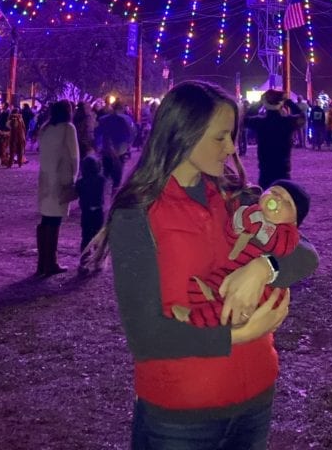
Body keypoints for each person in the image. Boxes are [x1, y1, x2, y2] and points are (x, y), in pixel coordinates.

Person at [107, 80, 318, 449]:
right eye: (221, 137)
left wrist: (262, 268)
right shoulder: (137, 214)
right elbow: (145, 337)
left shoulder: (236, 197)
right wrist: (240, 335)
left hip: (254, 401)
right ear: (184, 133)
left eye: (232, 135)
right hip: (181, 417)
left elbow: (304, 255)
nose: (232, 147)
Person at [173, 180, 311, 327]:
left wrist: (263, 226)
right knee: (209, 282)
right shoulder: (250, 211)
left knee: (234, 306)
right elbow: (231, 237)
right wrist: (239, 225)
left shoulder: (288, 233)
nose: (277, 200)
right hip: (234, 271)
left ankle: (196, 319)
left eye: (287, 203)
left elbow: (283, 248)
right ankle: (209, 299)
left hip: (267, 288)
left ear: (294, 221)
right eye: (274, 192)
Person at [36, 99, 79, 276]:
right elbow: (74, 156)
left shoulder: (45, 129)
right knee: (54, 221)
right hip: (61, 178)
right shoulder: (68, 129)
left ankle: (42, 262)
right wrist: (74, 177)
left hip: (45, 178)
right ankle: (50, 262)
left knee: (46, 220)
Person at [246, 89, 303, 189]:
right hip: (283, 170)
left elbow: (246, 118)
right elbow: (302, 117)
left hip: (265, 170)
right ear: (281, 103)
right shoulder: (287, 122)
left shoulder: (260, 122)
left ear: (265, 103)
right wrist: (288, 101)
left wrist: (260, 103)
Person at [95, 100, 135, 196]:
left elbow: (98, 133)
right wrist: (129, 144)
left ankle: (100, 196)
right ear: (122, 108)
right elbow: (132, 132)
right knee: (117, 176)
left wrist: (98, 146)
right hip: (120, 151)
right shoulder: (126, 119)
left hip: (106, 150)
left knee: (105, 173)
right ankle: (114, 196)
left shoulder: (103, 119)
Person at [75, 153, 106, 252]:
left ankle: (84, 260)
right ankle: (97, 261)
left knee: (86, 236)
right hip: (98, 210)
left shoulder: (80, 182)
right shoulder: (101, 180)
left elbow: (77, 193)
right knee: (98, 235)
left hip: (86, 212)